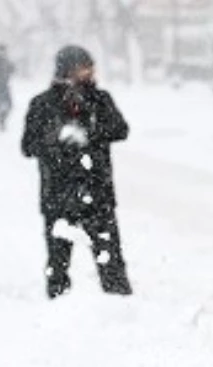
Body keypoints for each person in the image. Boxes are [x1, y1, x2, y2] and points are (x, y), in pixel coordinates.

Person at [21, 45, 132, 299]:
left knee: (111, 262)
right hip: (58, 198)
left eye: (91, 67)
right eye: (85, 67)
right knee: (58, 265)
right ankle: (60, 315)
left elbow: (120, 130)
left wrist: (90, 134)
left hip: (98, 195)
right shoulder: (43, 104)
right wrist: (57, 140)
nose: (91, 72)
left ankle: (122, 312)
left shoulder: (100, 100)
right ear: (68, 70)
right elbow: (28, 146)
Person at [0, 44, 17, 132]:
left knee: (10, 105)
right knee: (1, 105)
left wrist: (12, 66)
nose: (2, 52)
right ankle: (1, 122)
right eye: (1, 50)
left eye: (4, 50)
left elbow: (13, 70)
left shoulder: (7, 61)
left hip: (6, 86)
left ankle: (2, 120)